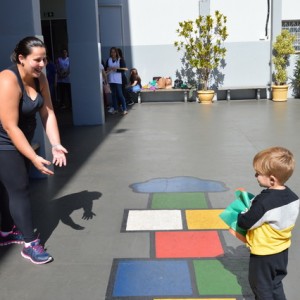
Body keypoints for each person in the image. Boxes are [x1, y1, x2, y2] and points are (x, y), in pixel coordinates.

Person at [0, 36, 68, 264]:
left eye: (45, 59)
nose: (42, 64)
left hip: (21, 139)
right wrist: (34, 156)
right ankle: (30, 244)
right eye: (37, 60)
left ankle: (7, 231)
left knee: (9, 186)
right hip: (4, 141)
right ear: (21, 58)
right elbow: (10, 126)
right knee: (19, 187)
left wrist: (56, 144)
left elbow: (48, 113)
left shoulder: (40, 79)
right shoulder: (8, 80)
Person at [237, 146, 299, 299]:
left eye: (258, 173)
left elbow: (245, 222)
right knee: (275, 283)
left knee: (261, 286)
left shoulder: (264, 202)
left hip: (264, 254)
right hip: (281, 251)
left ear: (272, 179)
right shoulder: (293, 197)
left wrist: (242, 213)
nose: (255, 175)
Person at [105, 47, 128, 115]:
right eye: (111, 52)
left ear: (116, 52)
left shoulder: (120, 60)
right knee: (113, 95)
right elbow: (105, 68)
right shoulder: (108, 60)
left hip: (118, 80)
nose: (113, 53)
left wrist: (116, 69)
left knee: (120, 94)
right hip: (111, 80)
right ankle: (115, 109)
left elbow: (124, 69)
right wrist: (108, 68)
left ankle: (125, 109)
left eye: (114, 52)